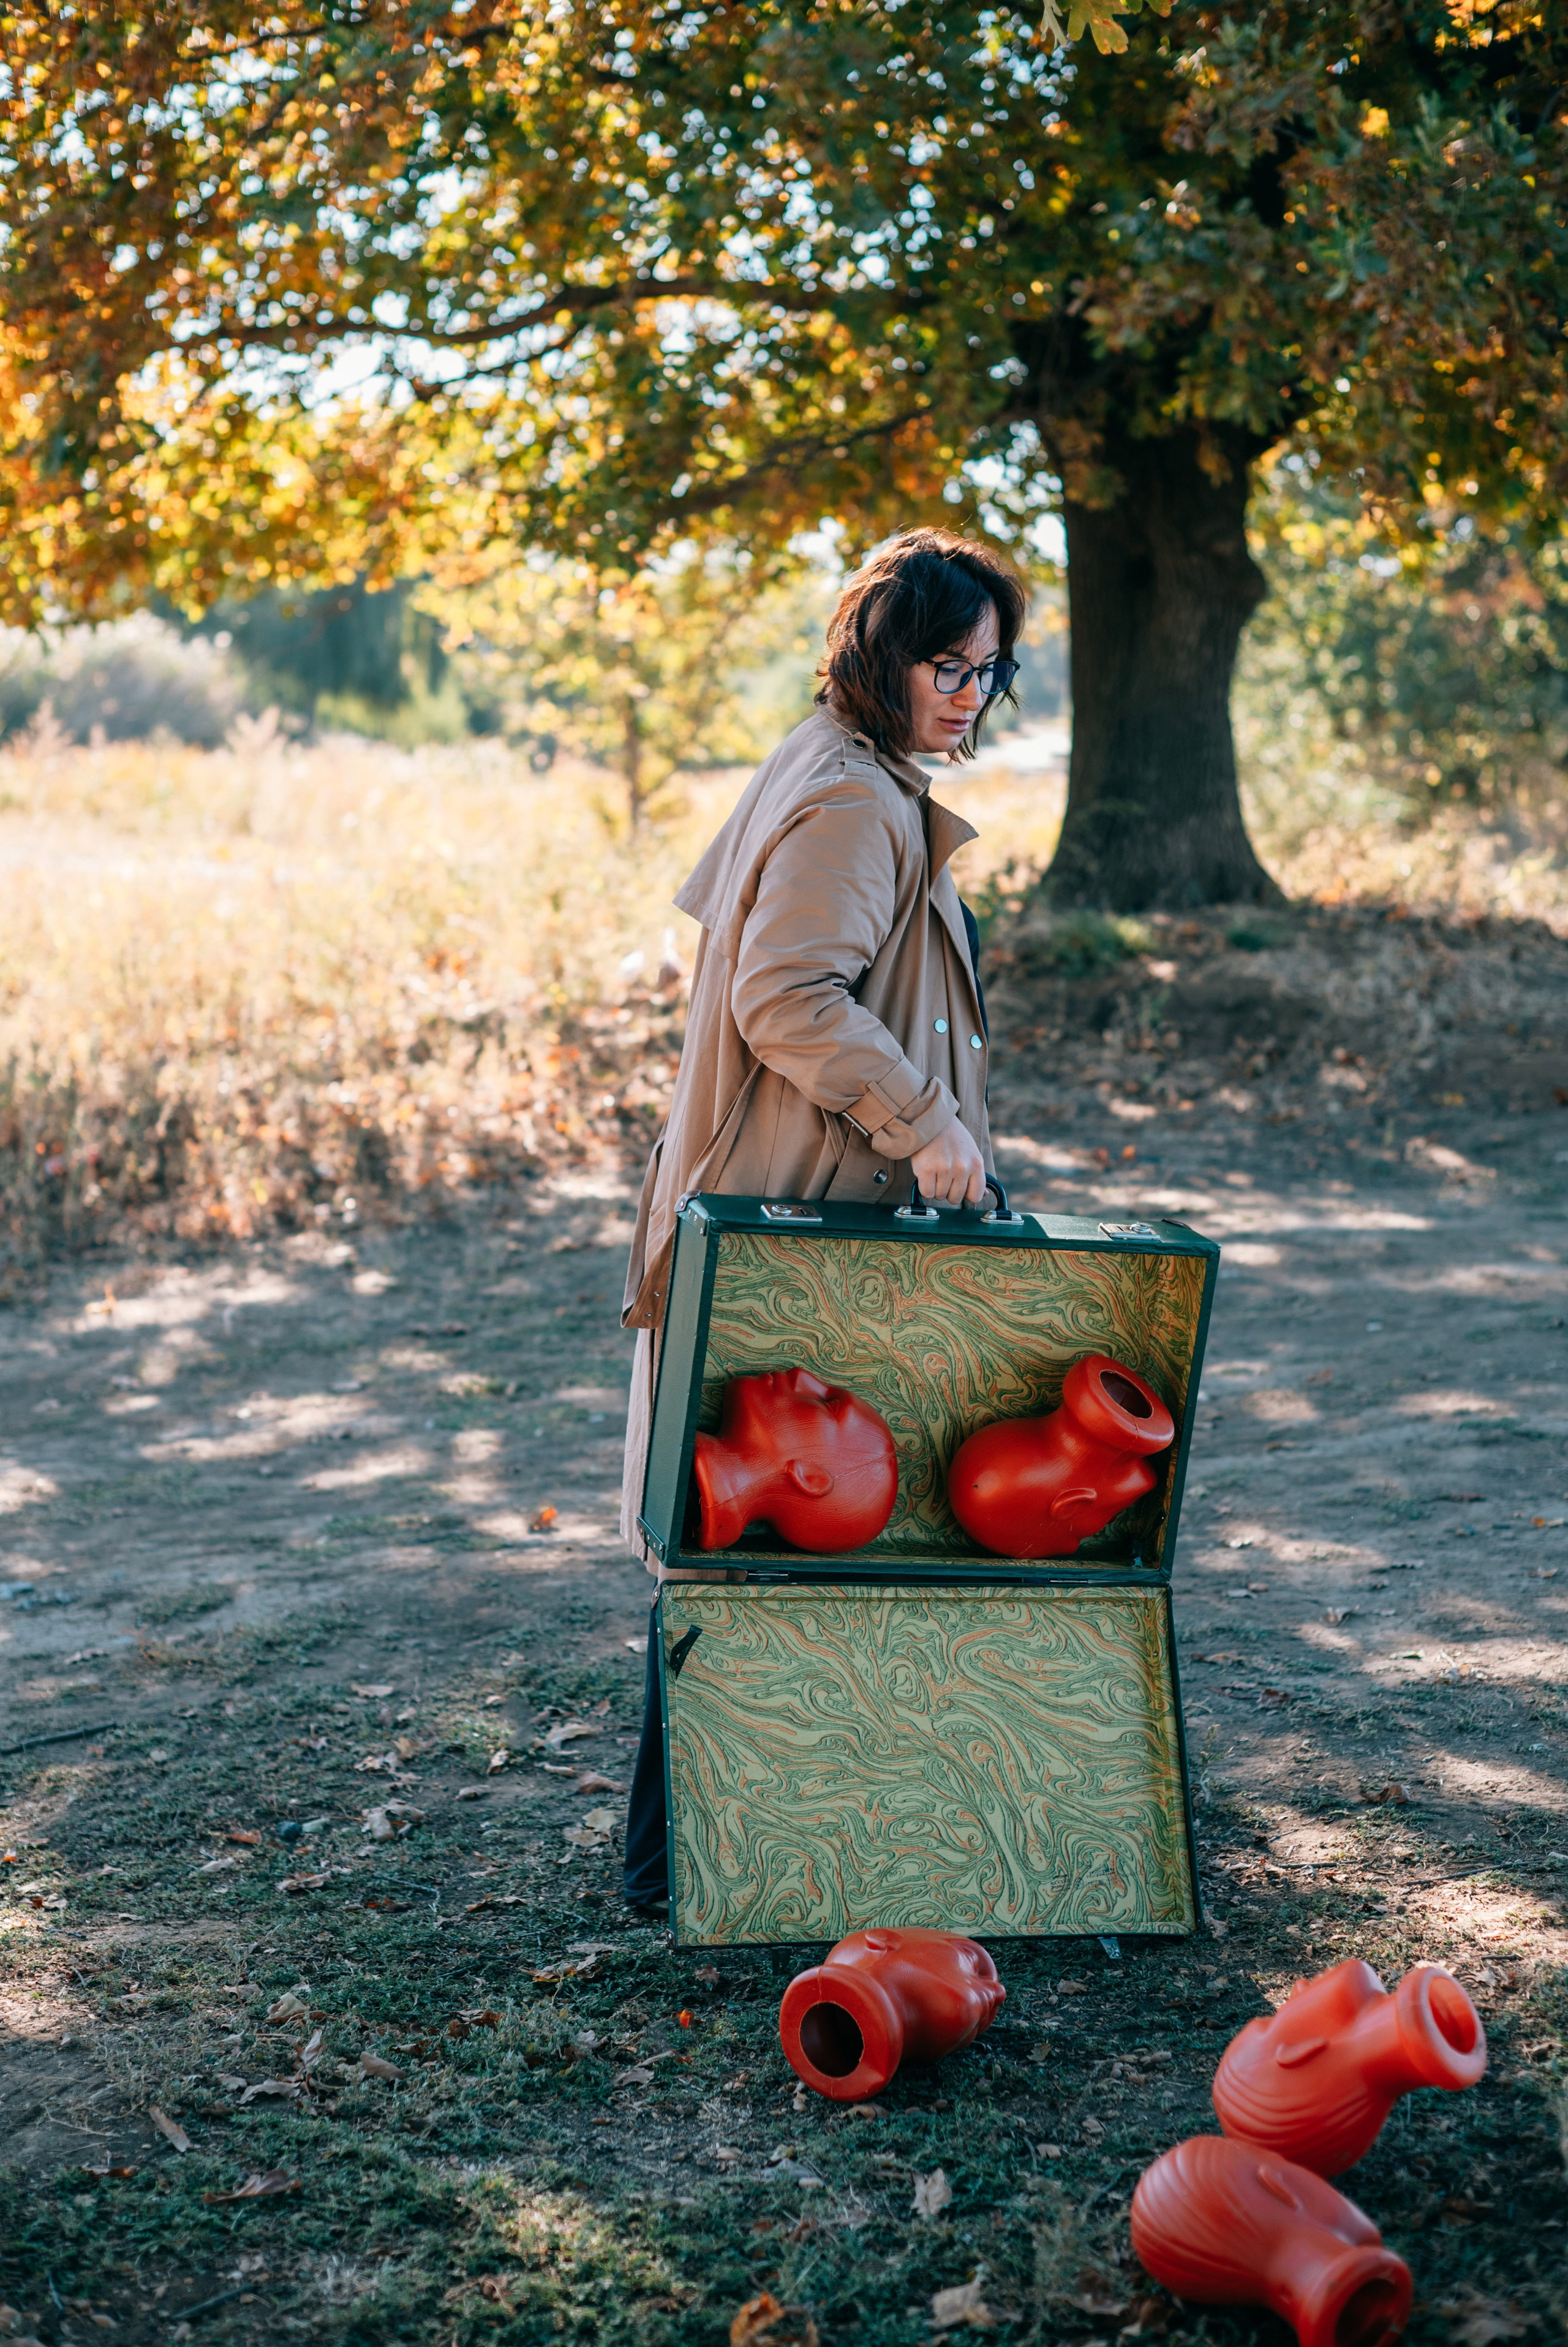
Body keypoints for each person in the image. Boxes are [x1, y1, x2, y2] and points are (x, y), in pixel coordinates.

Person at [617, 526, 1027, 1916]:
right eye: (945, 666)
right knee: (771, 1538)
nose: (968, 696)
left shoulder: (837, 763)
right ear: (879, 657)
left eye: (989, 672)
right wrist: (926, 1123)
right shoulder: (854, 796)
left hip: (785, 1205)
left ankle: (684, 1869)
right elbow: (786, 995)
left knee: (749, 1544)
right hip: (793, 1212)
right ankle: (706, 1873)